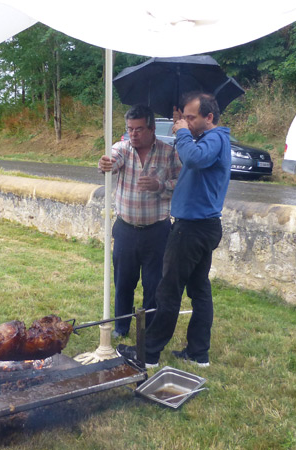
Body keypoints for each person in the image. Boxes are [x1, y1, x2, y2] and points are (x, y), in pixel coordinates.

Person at [144, 92, 231, 368]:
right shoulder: (211, 139)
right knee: (199, 289)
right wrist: (185, 127)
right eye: (184, 117)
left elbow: (193, 159)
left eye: (191, 117)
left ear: (209, 117)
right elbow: (196, 157)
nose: (186, 121)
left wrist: (181, 133)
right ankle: (198, 353)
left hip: (192, 229)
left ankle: (148, 354)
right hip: (203, 226)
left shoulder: (214, 138)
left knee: (168, 290)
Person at [98, 104, 181, 338]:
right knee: (123, 282)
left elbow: (181, 182)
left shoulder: (168, 152)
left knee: (154, 285)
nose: (134, 134)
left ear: (152, 129)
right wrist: (104, 165)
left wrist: (160, 186)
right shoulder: (122, 149)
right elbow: (110, 161)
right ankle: (121, 327)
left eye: (139, 129)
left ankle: (149, 330)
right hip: (126, 230)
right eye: (130, 129)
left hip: (158, 231)